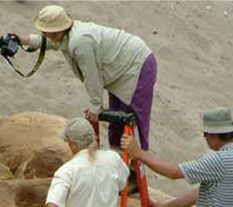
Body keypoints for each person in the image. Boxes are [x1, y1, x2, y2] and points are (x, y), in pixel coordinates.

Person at [17, 5, 157, 151]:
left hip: (136, 65)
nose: (43, 33)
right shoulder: (67, 33)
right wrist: (20, 40)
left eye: (46, 30)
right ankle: (117, 158)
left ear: (57, 29)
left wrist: (96, 106)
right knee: (117, 120)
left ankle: (135, 165)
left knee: (131, 119)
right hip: (119, 66)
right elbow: (50, 42)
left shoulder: (80, 41)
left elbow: (92, 75)